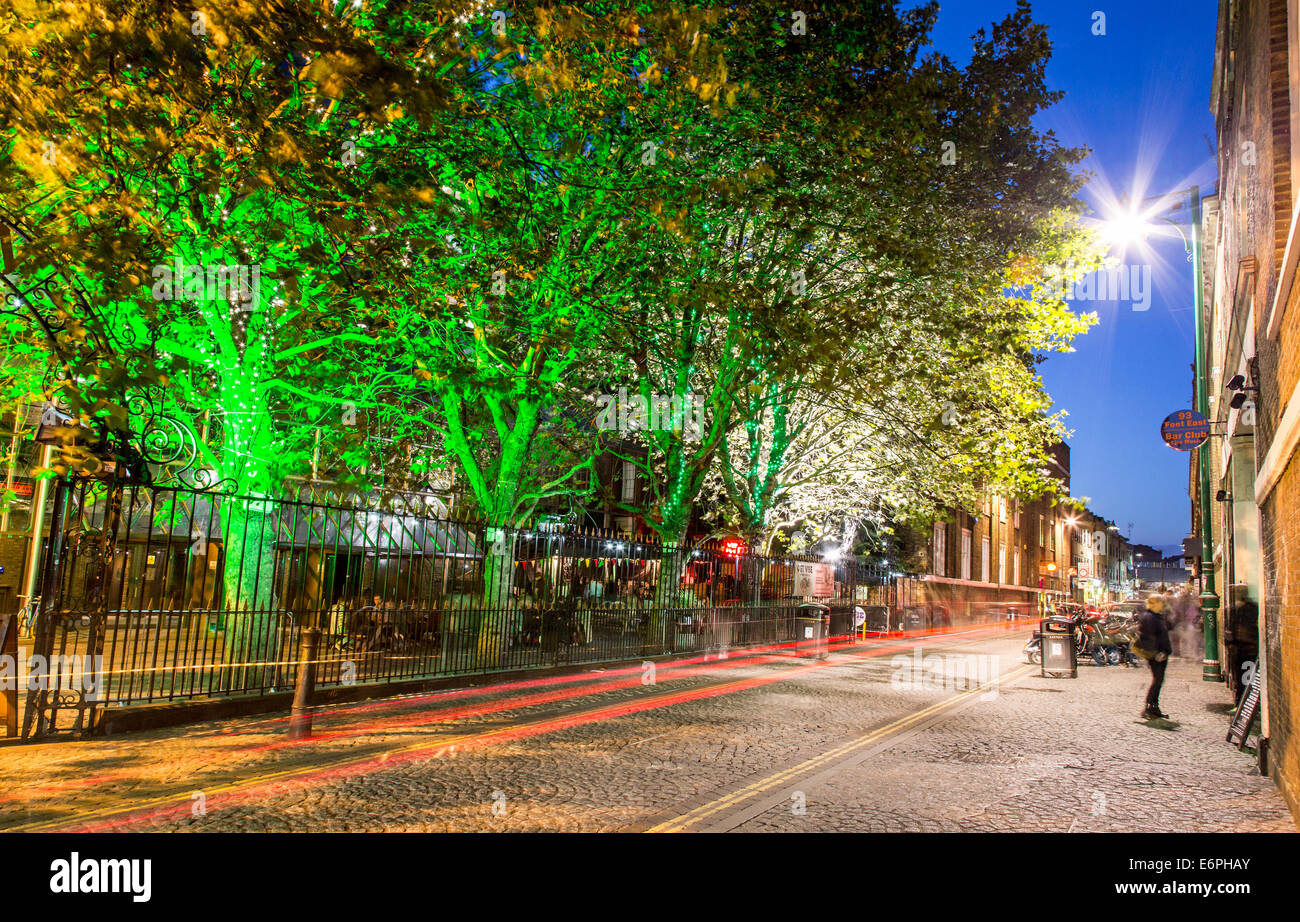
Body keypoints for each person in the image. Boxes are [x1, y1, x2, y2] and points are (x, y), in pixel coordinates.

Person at [1137, 595, 1173, 719]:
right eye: (1161, 602)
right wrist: (1156, 653)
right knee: (1157, 680)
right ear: (1155, 603)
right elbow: (1147, 638)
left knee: (1159, 680)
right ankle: (1149, 707)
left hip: (1161, 652)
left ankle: (1154, 706)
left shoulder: (1156, 616)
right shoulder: (1149, 617)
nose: (1163, 604)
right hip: (1156, 654)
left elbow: (1168, 627)